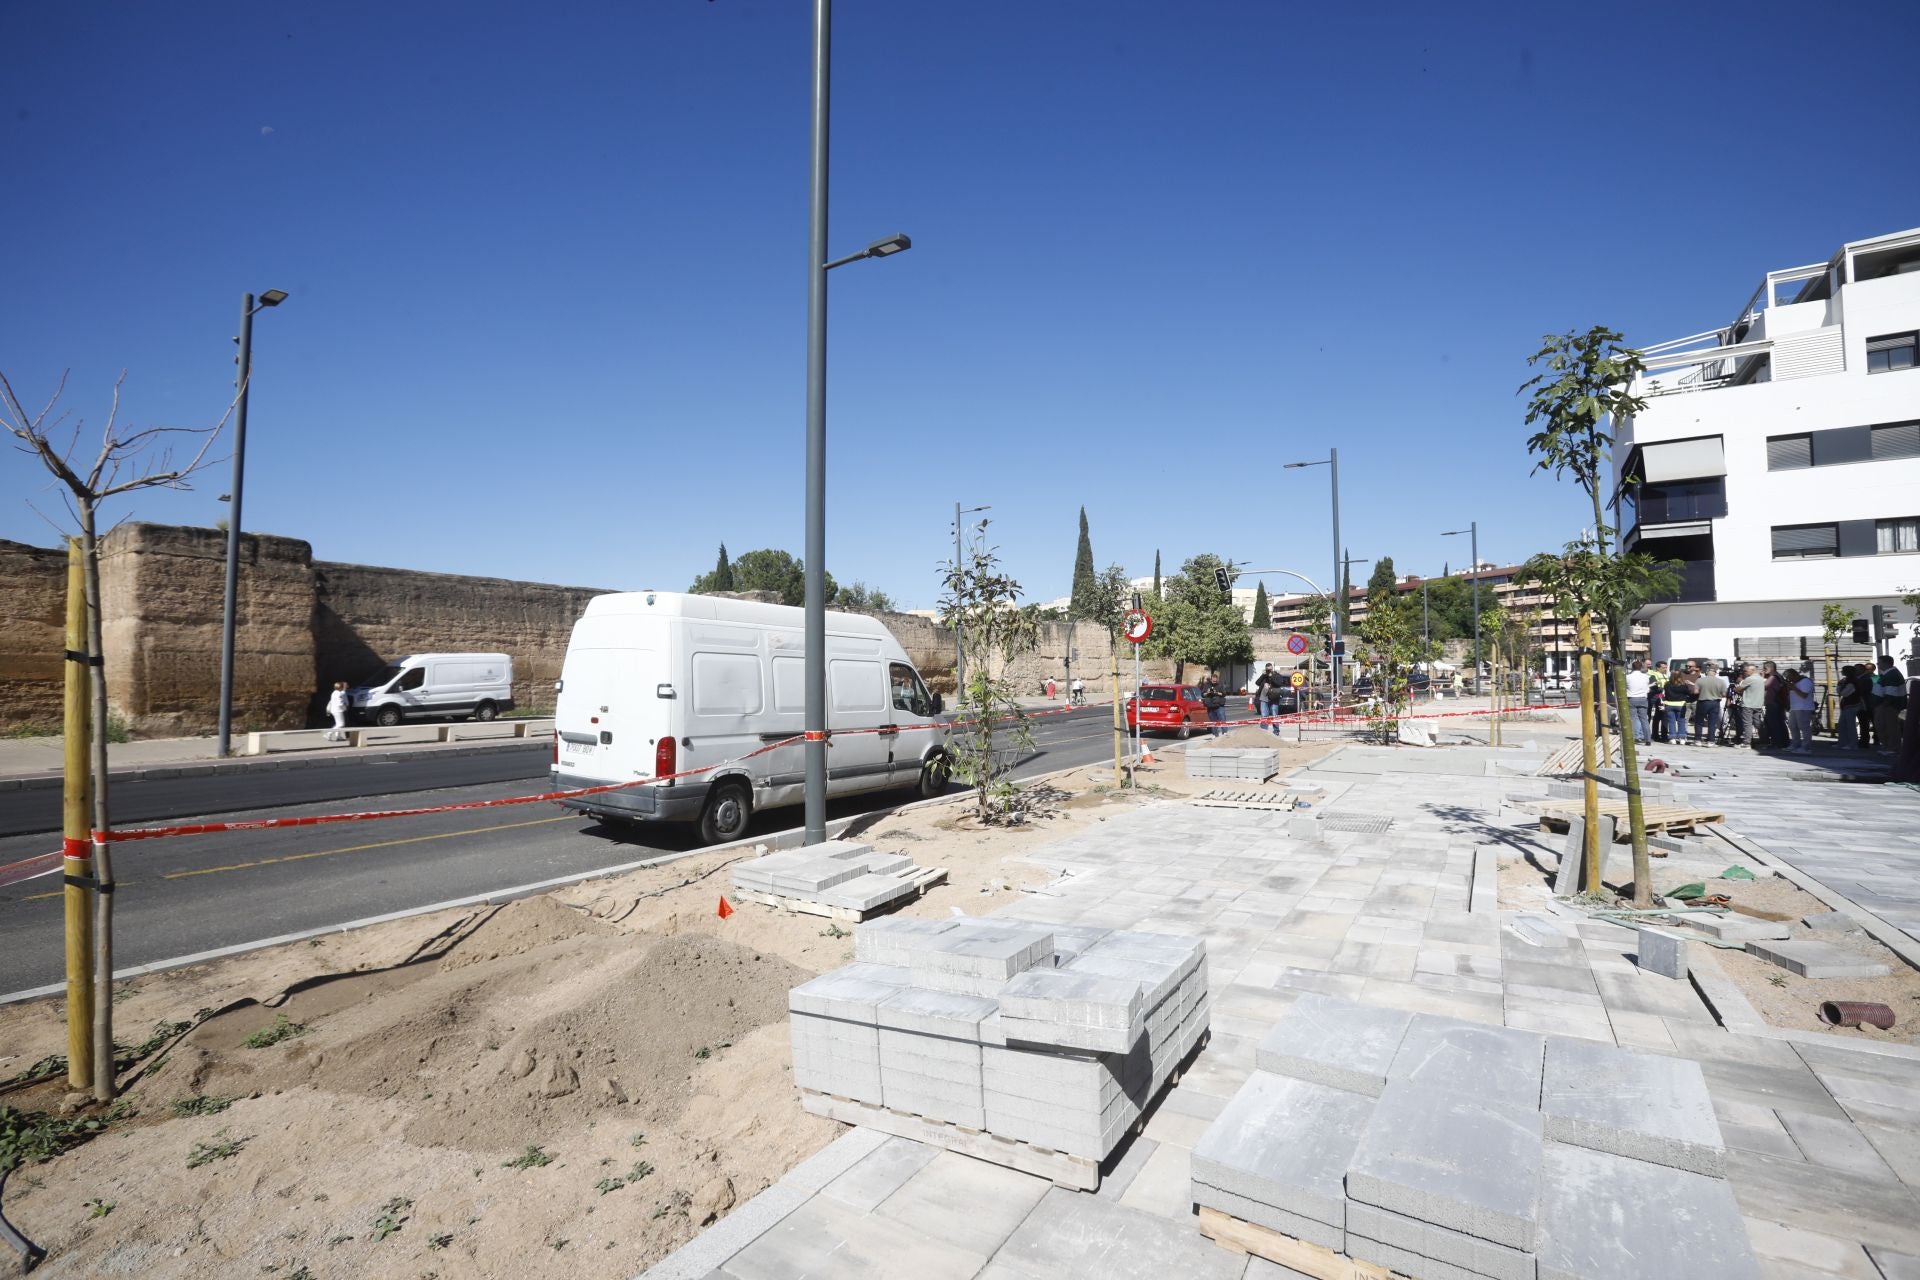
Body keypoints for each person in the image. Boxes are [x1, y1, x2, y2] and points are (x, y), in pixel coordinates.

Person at [1874, 654, 1909, 756]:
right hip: (1885, 705)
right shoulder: (1888, 674)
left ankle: (1893, 748)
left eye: (1879, 662)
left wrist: (1885, 704)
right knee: (1883, 726)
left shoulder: (1892, 675)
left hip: (1888, 706)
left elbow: (1891, 692)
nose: (1878, 664)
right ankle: (1889, 747)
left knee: (1889, 727)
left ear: (1886, 663)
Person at [1734, 663, 1766, 748]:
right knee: (1758, 723)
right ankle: (1764, 742)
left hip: (1748, 704)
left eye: (1746, 670)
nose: (1744, 672)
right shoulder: (1761, 679)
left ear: (1752, 670)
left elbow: (1738, 689)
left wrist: (1735, 687)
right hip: (1758, 704)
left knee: (1747, 724)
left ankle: (1746, 743)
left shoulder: (1749, 679)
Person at [1694, 662, 1727, 745]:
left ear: (1706, 672)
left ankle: (1698, 740)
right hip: (1715, 702)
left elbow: (1695, 692)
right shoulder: (1721, 681)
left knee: (1699, 722)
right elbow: (1724, 694)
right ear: (1715, 673)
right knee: (1712, 722)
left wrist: (1703, 691)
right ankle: (1711, 741)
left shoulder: (1699, 680)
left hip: (1703, 702)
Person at [1663, 664, 1696, 744]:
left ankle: (1672, 738)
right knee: (1681, 721)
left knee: (1671, 722)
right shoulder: (1683, 685)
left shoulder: (1667, 684)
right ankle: (1682, 738)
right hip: (1681, 705)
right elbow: (1689, 693)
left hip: (1669, 704)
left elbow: (1664, 693)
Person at [1787, 666, 1816, 753]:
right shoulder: (1795, 682)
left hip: (1804, 708)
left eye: (1789, 677)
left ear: (1794, 675)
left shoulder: (1805, 681)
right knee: (1793, 727)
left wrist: (1793, 687)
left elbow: (1804, 695)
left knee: (1804, 728)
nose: (1789, 679)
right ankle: (1796, 745)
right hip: (1794, 708)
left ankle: (1806, 747)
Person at [1624, 659, 1652, 745]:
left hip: (1632, 698)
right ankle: (1648, 739)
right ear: (1641, 667)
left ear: (1632, 667)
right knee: (1644, 719)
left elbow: (1625, 687)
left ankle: (1633, 737)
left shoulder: (1628, 677)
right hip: (1643, 698)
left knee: (1632, 719)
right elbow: (1647, 688)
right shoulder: (1646, 677)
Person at [1255, 663, 1287, 736]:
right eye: (1267, 669)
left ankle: (1276, 731)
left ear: (1273, 668)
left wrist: (1271, 677)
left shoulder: (1277, 675)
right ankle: (1263, 731)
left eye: (1270, 669)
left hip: (1274, 697)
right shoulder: (1264, 676)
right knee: (1264, 715)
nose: (1269, 671)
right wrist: (1263, 675)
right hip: (1264, 697)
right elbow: (1257, 683)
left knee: (1274, 714)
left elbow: (1279, 684)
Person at [1762, 661, 1789, 749]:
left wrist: (1762, 677)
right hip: (1778, 703)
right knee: (1779, 723)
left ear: (1771, 668)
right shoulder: (1778, 676)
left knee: (1774, 724)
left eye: (1765, 668)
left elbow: (1763, 686)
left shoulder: (1773, 677)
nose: (1763, 670)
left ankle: (1777, 743)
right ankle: (1783, 742)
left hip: (1773, 703)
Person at [1852, 663, 1878, 749]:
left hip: (1867, 703)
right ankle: (1865, 739)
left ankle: (1868, 740)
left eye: (1856, 669)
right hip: (1863, 703)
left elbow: (1863, 692)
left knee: (1867, 722)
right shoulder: (1859, 678)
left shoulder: (1868, 679)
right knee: (1863, 722)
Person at [1836, 664, 1861, 749]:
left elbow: (1843, 693)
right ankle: (1842, 743)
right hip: (1847, 705)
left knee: (1850, 726)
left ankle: (1853, 744)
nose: (1841, 671)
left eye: (1843, 670)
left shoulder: (1852, 681)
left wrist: (1839, 685)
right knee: (1842, 725)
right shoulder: (1848, 680)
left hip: (1851, 705)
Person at [1200, 672, 1228, 737]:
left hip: (1219, 705)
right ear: (1211, 679)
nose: (1214, 681)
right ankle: (1215, 734)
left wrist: (1216, 693)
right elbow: (1202, 694)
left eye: (1215, 680)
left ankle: (1224, 732)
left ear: (1217, 679)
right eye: (1213, 680)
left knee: (1222, 718)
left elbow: (1224, 694)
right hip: (1210, 705)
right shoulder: (1207, 685)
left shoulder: (1220, 685)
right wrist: (1207, 692)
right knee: (1213, 721)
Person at [1649, 662, 1669, 743]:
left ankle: (1664, 735)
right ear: (1658, 668)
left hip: (1663, 697)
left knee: (1663, 716)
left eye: (1665, 667)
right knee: (1656, 717)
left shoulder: (1666, 675)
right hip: (1655, 696)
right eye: (1663, 667)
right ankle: (1655, 735)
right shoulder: (1654, 675)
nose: (1665, 669)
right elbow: (1653, 685)